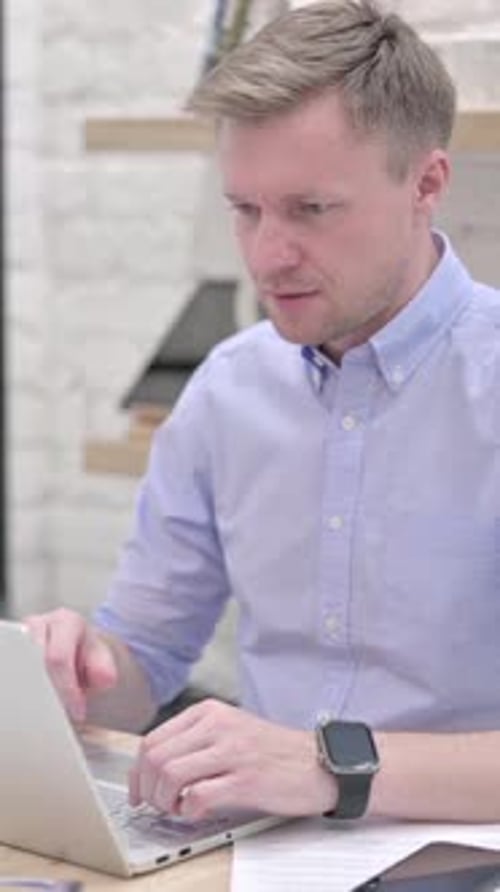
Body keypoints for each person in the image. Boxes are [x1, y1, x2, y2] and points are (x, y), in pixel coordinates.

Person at [27, 0, 500, 824]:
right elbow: (144, 662)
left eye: (311, 210)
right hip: (259, 862)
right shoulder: (226, 390)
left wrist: (331, 770)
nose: (267, 256)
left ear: (427, 183)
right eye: (244, 209)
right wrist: (74, 673)